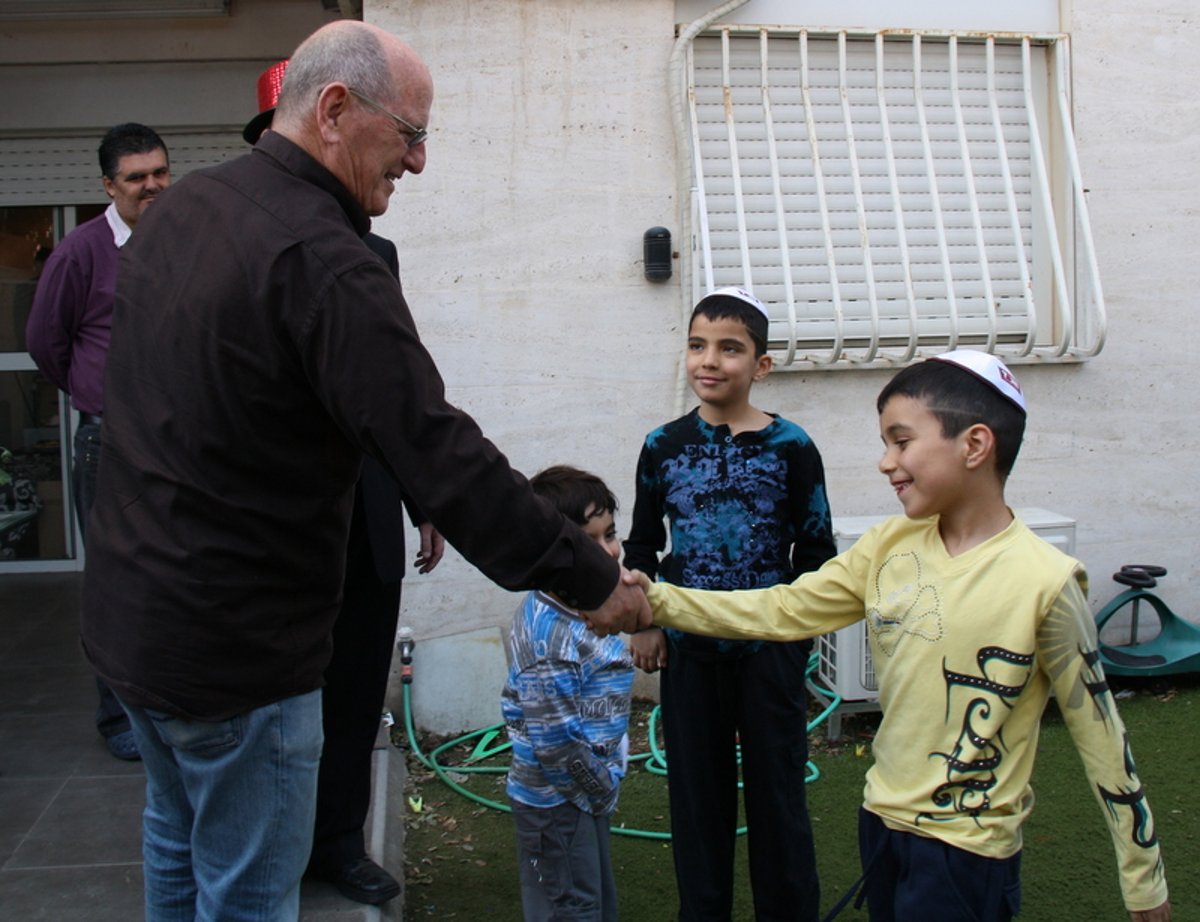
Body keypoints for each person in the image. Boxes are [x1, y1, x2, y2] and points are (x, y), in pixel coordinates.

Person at [78, 21, 649, 922]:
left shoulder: (183, 210)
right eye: (410, 134)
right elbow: (437, 447)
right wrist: (588, 577)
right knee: (245, 894)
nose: (418, 163)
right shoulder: (323, 259)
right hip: (237, 658)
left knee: (178, 850)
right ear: (335, 109)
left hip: (134, 626)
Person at [635, 350, 1171, 922]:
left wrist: (1143, 879)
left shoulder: (1046, 581)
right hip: (881, 822)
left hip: (969, 848)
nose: (885, 462)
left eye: (901, 441)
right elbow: (783, 608)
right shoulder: (889, 545)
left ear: (974, 445)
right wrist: (653, 600)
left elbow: (1101, 736)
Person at [241, 58, 446, 907]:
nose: (410, 163)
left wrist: (424, 494)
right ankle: (273, 850)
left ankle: (338, 844)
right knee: (280, 708)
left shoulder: (377, 253)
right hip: (280, 530)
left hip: (364, 513)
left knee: (357, 689)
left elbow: (398, 394)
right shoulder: (243, 238)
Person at [623, 286, 835, 921]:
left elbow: (816, 551)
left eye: (729, 348)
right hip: (689, 649)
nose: (708, 361)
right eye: (696, 345)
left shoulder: (792, 446)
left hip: (770, 651)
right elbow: (640, 545)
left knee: (778, 798)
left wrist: (794, 637)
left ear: (761, 365)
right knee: (698, 802)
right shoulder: (662, 446)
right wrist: (648, 621)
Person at [24, 122, 170, 762]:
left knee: (172, 579)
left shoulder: (185, 238)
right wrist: (95, 392)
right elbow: (45, 343)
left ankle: (167, 708)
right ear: (109, 186)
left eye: (160, 171)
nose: (152, 186)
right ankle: (118, 720)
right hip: (110, 444)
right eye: (137, 177)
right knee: (116, 586)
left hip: (176, 442)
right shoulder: (80, 252)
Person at [502, 465, 634, 922]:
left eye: (610, 535)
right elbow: (556, 743)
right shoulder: (549, 639)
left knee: (592, 897)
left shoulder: (585, 604)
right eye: (588, 542)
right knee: (570, 905)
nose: (607, 552)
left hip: (583, 790)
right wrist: (600, 789)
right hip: (559, 799)